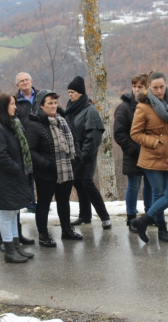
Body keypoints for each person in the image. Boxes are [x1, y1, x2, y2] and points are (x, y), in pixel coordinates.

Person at [130, 71, 168, 243]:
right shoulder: (143, 106)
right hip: (152, 158)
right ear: (149, 88)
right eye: (155, 88)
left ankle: (143, 221)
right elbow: (135, 134)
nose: (159, 90)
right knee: (159, 193)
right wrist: (155, 143)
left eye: (162, 87)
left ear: (166, 85)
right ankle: (162, 229)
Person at [0, 89, 34, 252]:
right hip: (7, 177)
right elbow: (0, 155)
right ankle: (10, 250)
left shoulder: (9, 124)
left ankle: (16, 247)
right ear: (3, 106)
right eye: (12, 104)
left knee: (13, 212)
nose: (15, 107)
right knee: (6, 214)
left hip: (14, 176)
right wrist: (17, 168)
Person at [26, 90, 83, 247]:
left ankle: (67, 230)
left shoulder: (62, 120)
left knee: (64, 202)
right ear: (41, 106)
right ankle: (43, 235)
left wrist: (77, 158)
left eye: (55, 103)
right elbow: (31, 151)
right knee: (44, 204)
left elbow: (74, 141)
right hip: (46, 173)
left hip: (67, 169)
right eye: (49, 103)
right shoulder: (34, 125)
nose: (53, 106)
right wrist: (48, 164)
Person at [65, 76, 112, 229]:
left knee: (86, 182)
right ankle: (84, 216)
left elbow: (93, 138)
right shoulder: (71, 108)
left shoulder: (89, 110)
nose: (70, 95)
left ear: (80, 93)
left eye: (72, 92)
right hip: (74, 155)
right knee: (78, 183)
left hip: (87, 155)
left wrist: (82, 155)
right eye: (69, 92)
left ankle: (105, 217)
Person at [114, 74, 152, 232]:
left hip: (150, 153)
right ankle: (131, 218)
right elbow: (119, 134)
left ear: (146, 88)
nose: (137, 90)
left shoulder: (152, 105)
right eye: (135, 86)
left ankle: (150, 215)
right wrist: (135, 149)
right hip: (133, 154)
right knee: (134, 186)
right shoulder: (123, 108)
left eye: (140, 87)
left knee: (150, 186)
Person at [14, 71, 39, 213]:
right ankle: (30, 203)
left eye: (27, 80)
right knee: (28, 174)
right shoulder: (15, 100)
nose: (25, 82)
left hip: (41, 139)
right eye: (21, 81)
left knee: (42, 174)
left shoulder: (41, 96)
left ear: (31, 81)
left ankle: (43, 202)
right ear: (17, 85)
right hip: (24, 142)